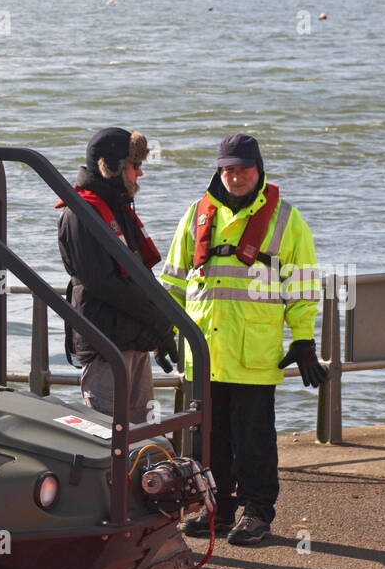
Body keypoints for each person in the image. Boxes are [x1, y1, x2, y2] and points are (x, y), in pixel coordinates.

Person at [159, 133, 326, 546]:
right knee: (208, 441)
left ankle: (257, 513)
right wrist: (162, 328)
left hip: (254, 353)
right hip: (205, 353)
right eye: (229, 169)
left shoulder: (286, 219)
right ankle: (213, 509)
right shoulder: (196, 214)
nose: (236, 177)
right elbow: (172, 281)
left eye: (244, 169)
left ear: (259, 170)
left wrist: (303, 341)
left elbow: (303, 285)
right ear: (219, 170)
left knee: (254, 441)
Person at [58, 127, 179, 425]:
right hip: (106, 343)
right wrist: (159, 323)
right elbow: (104, 283)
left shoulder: (117, 207)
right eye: (135, 166)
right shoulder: (81, 213)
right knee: (108, 431)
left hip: (132, 338)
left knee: (140, 430)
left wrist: (157, 331)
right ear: (111, 168)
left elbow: (136, 275)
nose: (140, 174)